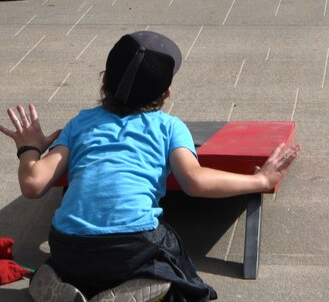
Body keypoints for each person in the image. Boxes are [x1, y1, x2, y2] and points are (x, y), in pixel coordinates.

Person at [0, 31, 299, 302]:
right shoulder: (169, 127)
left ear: (104, 80)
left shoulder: (80, 123)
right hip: (130, 247)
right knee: (177, 263)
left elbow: (33, 184)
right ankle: (144, 286)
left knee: (70, 262)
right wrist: (260, 180)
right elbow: (194, 182)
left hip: (69, 247)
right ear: (166, 91)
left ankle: (51, 282)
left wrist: (30, 148)